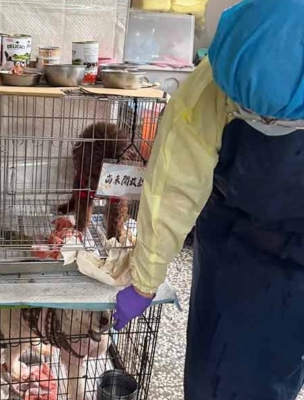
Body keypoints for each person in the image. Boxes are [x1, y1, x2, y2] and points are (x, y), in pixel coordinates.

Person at [113, 0, 304, 399]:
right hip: (233, 247)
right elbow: (173, 186)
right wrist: (145, 280)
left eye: (275, 120)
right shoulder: (210, 82)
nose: (263, 124)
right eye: (247, 112)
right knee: (216, 375)